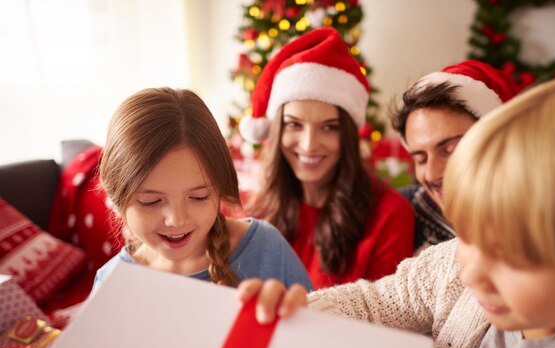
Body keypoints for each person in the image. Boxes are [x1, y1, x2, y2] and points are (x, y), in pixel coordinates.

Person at [238, 73, 555, 348]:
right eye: (468, 236)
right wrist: (299, 309)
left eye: (509, 256)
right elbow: (374, 304)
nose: (470, 273)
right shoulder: (449, 267)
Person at [240, 27, 414, 289]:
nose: (309, 145)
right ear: (276, 131)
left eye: (329, 127)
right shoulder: (256, 210)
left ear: (347, 134)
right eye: (294, 124)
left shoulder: (389, 215)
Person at [92, 87, 313, 293]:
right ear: (117, 200)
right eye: (151, 201)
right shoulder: (111, 283)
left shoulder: (266, 248)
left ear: (219, 189)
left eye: (199, 197)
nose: (177, 220)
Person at [391, 60, 519, 254]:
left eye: (450, 150)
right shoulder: (398, 213)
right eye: (420, 159)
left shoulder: (546, 219)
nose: (432, 174)